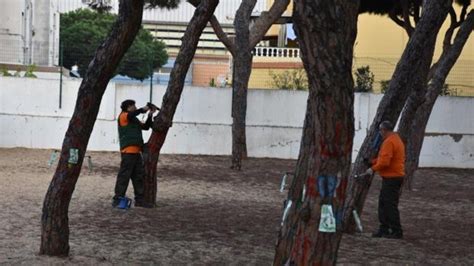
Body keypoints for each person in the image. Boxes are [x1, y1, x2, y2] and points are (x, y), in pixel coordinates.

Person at [112, 99, 157, 208]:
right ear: (128, 107)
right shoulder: (123, 116)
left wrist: (150, 115)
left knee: (138, 176)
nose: (135, 107)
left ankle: (140, 200)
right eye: (134, 106)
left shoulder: (134, 119)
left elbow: (146, 127)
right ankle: (118, 198)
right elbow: (132, 114)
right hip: (128, 152)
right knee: (124, 176)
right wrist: (143, 109)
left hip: (136, 152)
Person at [365, 120, 406, 239]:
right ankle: (385, 228)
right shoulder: (396, 139)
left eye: (380, 130)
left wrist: (372, 168)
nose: (380, 133)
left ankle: (395, 231)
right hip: (394, 177)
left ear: (384, 130)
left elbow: (384, 162)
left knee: (388, 205)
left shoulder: (389, 142)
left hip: (392, 178)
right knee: (385, 203)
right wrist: (371, 162)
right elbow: (385, 158)